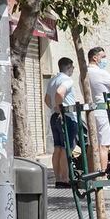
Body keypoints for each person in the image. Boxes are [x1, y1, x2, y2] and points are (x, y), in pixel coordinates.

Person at [45, 58, 83, 188]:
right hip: (67, 116)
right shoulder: (67, 80)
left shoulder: (53, 79)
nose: (73, 70)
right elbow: (60, 92)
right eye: (72, 67)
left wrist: (55, 108)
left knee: (58, 148)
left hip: (54, 117)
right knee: (67, 148)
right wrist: (61, 109)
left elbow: (47, 99)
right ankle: (65, 179)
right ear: (69, 67)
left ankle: (58, 178)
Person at [85, 46, 110, 172]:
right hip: (104, 112)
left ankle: (91, 174)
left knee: (92, 145)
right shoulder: (101, 73)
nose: (105, 59)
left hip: (91, 112)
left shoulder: (84, 73)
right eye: (103, 57)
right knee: (104, 146)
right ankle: (102, 175)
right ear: (95, 58)